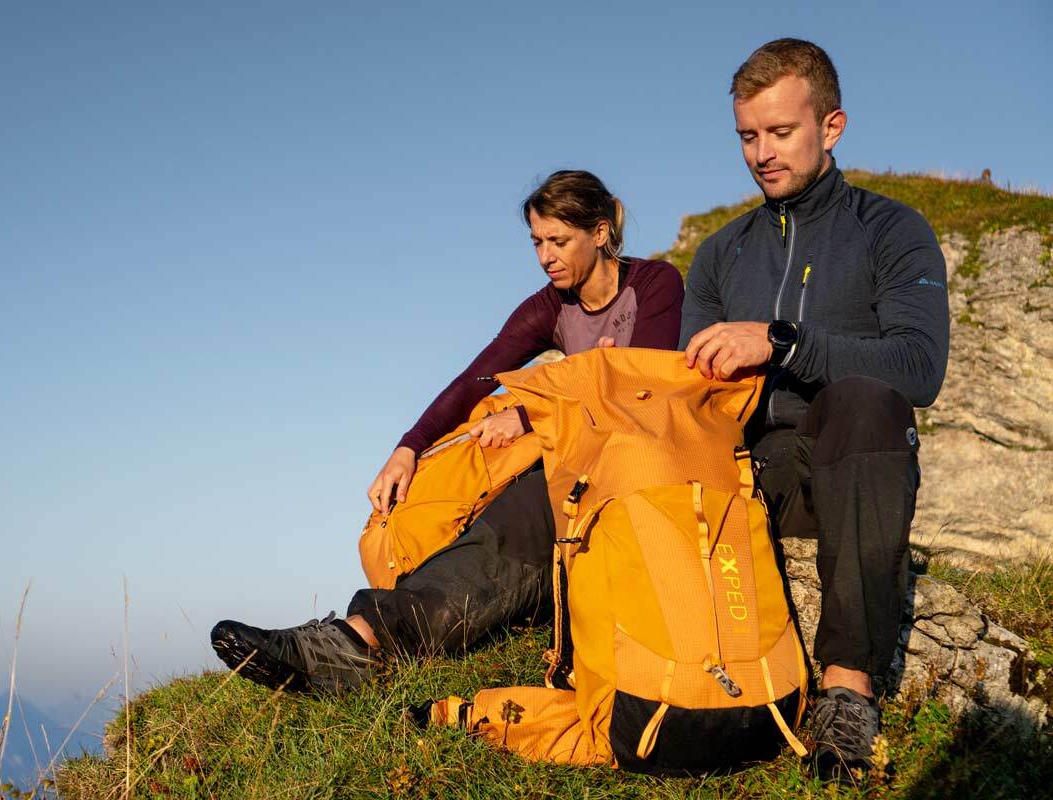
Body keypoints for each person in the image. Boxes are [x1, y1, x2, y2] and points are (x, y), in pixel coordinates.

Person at [212, 170, 684, 693]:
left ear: (599, 233)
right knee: (496, 507)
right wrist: (408, 447)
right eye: (537, 242)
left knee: (527, 510)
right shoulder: (550, 306)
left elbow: (641, 387)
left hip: (645, 466)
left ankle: (360, 643)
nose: (545, 256)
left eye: (558, 241)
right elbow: (473, 381)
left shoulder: (655, 284)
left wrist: (533, 414)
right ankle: (355, 635)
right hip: (577, 457)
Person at [678, 39, 949, 783]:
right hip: (746, 476)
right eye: (747, 136)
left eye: (780, 132)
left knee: (863, 398)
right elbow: (692, 396)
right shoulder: (718, 254)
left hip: (846, 459)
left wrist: (782, 341)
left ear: (832, 126)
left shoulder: (893, 230)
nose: (761, 154)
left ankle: (847, 693)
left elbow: (920, 368)